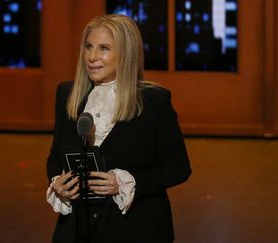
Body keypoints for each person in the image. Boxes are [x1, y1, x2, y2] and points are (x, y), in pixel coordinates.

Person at [46, 14, 191, 243]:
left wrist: (126, 182)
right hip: (77, 229)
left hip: (136, 228)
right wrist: (57, 183)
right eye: (88, 46)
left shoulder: (153, 101)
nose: (92, 57)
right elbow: (56, 156)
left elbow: (178, 168)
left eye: (104, 48)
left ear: (126, 55)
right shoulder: (68, 94)